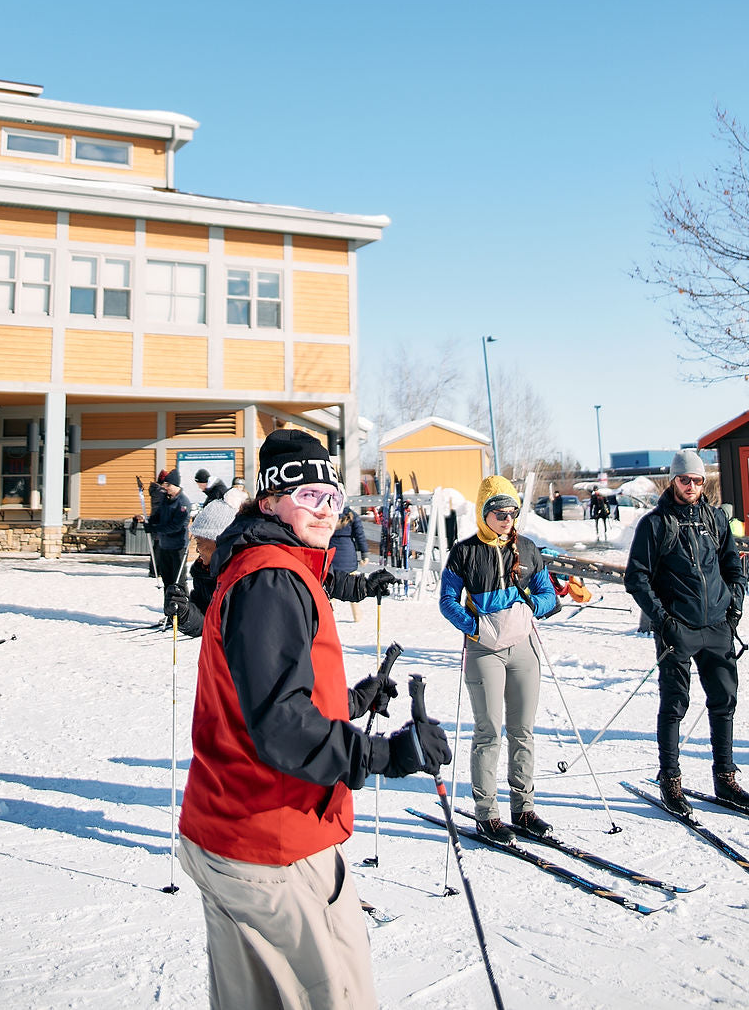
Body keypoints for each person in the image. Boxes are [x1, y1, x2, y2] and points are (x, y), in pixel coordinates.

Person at [178, 427, 451, 1010]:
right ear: (271, 500)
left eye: (333, 500)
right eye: (308, 498)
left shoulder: (271, 566)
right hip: (273, 839)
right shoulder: (272, 577)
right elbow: (279, 723)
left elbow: (261, 697)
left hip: (239, 830)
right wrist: (387, 754)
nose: (325, 511)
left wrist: (350, 701)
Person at [624, 449, 749, 814]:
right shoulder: (655, 524)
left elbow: (733, 566)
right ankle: (670, 780)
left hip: (717, 628)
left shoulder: (715, 519)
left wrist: (734, 608)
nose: (692, 486)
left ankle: (725, 777)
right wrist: (665, 623)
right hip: (677, 631)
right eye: (685, 480)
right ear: (673, 480)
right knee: (675, 705)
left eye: (698, 481)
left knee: (724, 702)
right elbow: (636, 578)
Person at [439, 475, 558, 843]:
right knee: (488, 731)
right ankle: (486, 814)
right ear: (483, 512)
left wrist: (527, 608)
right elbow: (447, 601)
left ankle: (523, 809)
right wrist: (475, 627)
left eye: (513, 512)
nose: (507, 519)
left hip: (523, 648)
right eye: (499, 512)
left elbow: (549, 596)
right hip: (484, 650)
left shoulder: (528, 548)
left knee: (523, 731)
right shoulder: (464, 552)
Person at [163, 498, 234, 637]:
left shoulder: (246, 577)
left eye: (199, 543)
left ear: (219, 543)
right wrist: (185, 613)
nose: (197, 550)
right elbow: (204, 619)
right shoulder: (204, 573)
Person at [144, 470, 190, 605]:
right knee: (167, 581)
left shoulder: (183, 503)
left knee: (178, 582)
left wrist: (156, 529)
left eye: (167, 485)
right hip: (164, 546)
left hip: (178, 547)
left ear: (175, 485)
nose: (165, 488)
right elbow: (159, 515)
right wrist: (151, 521)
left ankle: (183, 614)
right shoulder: (166, 499)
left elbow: (176, 526)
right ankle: (170, 613)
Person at [329, 502, 370, 622]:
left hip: (332, 555)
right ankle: (357, 617)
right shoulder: (353, 516)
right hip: (348, 556)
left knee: (331, 590)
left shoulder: (329, 514)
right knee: (352, 588)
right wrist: (365, 555)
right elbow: (360, 536)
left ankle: (329, 618)